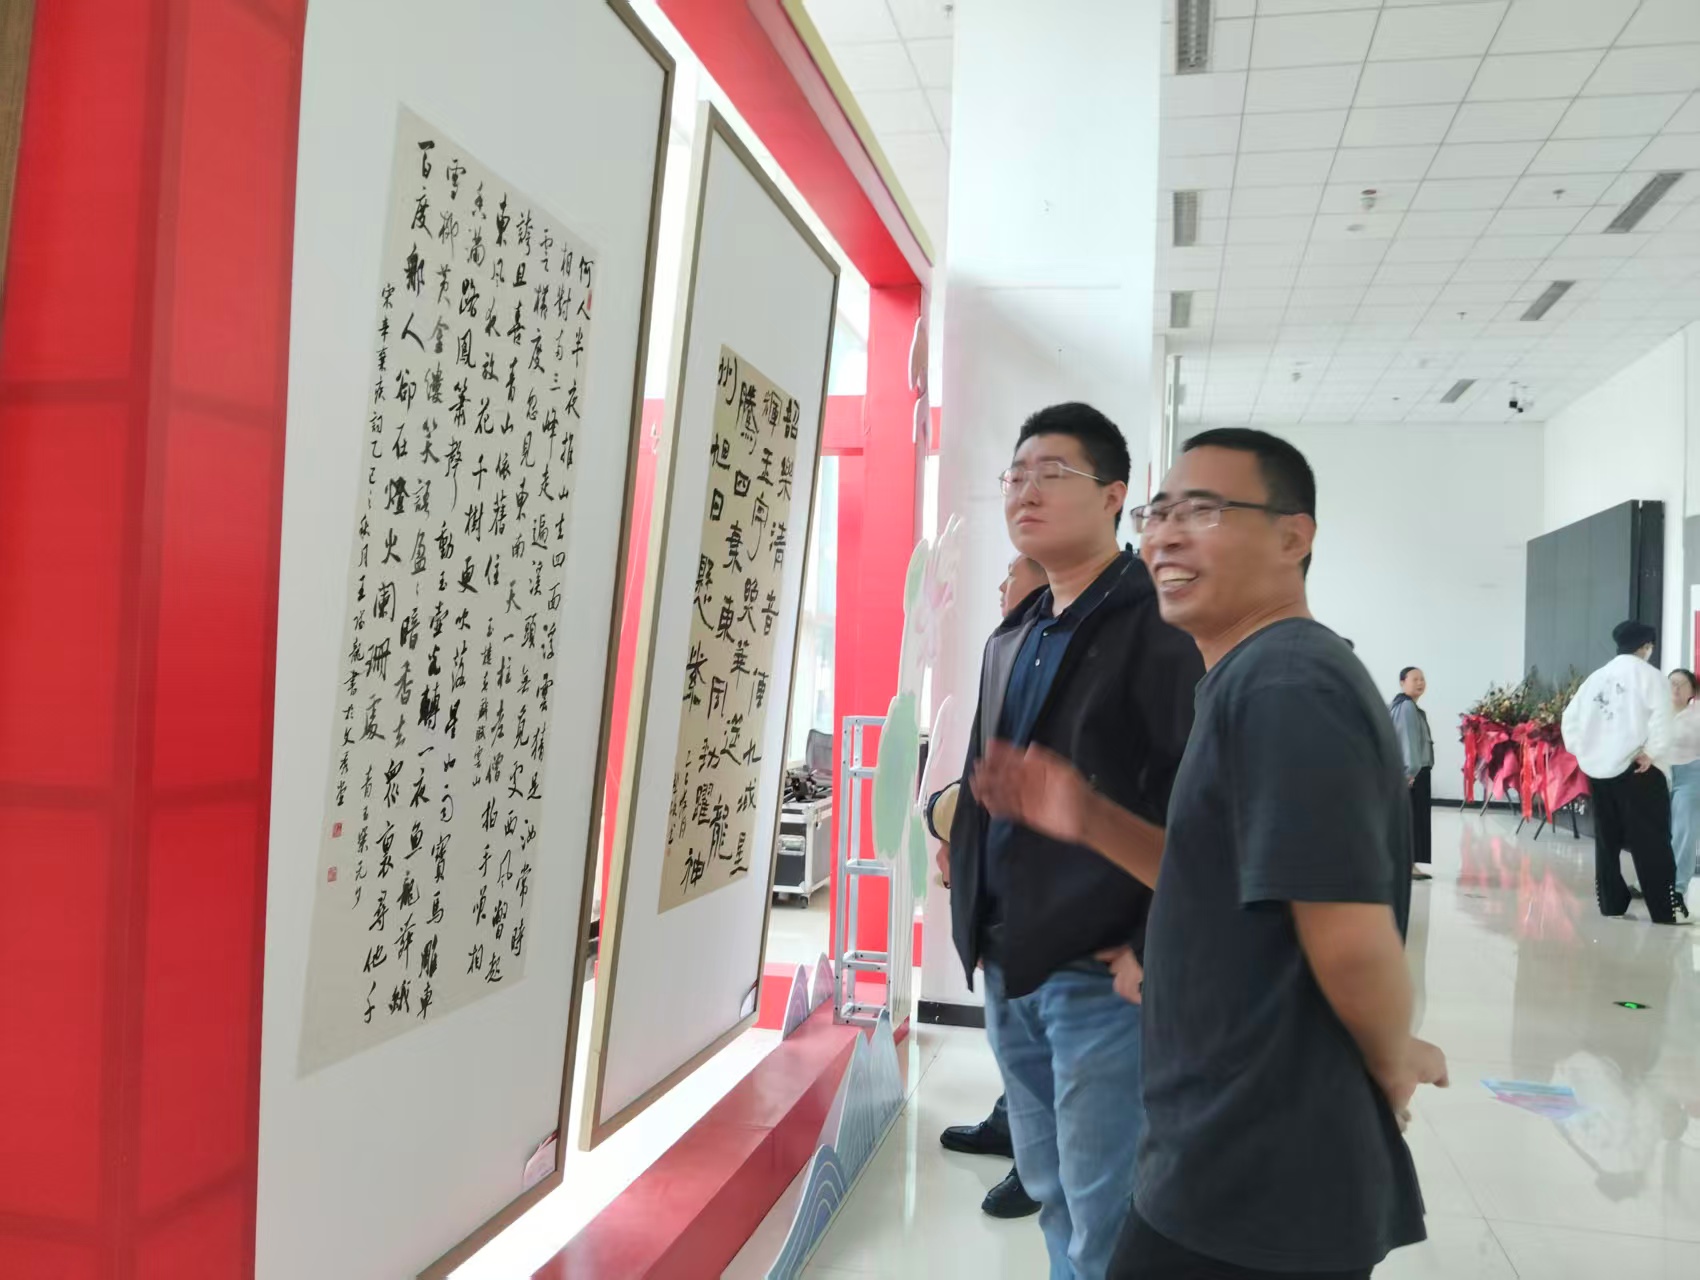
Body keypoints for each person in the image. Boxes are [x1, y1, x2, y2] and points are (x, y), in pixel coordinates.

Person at [973, 427, 1446, 1279]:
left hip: (1259, 1173)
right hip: (1216, 1149)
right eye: (1160, 514)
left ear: (1293, 536)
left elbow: (1349, 936)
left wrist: (1388, 1064)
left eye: (1204, 511)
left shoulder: (1288, 683)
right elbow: (1214, 875)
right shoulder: (1244, 678)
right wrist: (1088, 817)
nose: (1166, 536)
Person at [947, 403, 1202, 1280]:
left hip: (1102, 977)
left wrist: (1153, 942)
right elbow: (994, 778)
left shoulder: (1157, 626)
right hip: (1008, 962)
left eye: (1052, 473)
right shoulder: (1015, 633)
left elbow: (1197, 806)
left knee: (1108, 1214)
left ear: (1113, 496)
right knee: (1052, 1188)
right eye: (1016, 474)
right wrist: (963, 858)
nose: (1025, 490)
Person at [932, 553, 1049, 1221]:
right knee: (1011, 1032)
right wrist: (957, 832)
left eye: (1012, 571)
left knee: (1036, 1036)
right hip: (999, 877)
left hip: (1040, 889)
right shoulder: (1009, 644)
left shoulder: (1062, 650)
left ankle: (1037, 1165)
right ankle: (1013, 1125)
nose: (1001, 583)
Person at [1561, 622, 1689, 925]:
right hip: (1639, 767)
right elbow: (1662, 719)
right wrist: (1653, 752)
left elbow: (1570, 719)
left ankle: (1611, 903)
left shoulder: (1596, 678)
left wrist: (1587, 753)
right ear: (1645, 646)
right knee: (1652, 841)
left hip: (1600, 771)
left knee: (1607, 840)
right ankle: (1664, 910)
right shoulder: (1651, 677)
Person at [1392, 667, 1435, 881]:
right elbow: (1407, 741)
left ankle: (1407, 864)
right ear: (1402, 683)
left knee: (1410, 820)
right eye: (1415, 679)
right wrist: (1410, 772)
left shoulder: (1405, 706)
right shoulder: (1407, 707)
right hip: (1414, 775)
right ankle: (1407, 866)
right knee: (1412, 821)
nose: (1420, 683)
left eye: (1422, 679)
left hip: (1413, 772)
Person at [1665, 669, 1700, 902]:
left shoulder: (1696, 715)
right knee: (1657, 832)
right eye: (1672, 683)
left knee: (1684, 832)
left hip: (1692, 775)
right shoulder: (1657, 715)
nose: (1675, 688)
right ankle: (1651, 880)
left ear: (1692, 691)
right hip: (1661, 776)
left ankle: (1677, 886)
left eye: (1681, 684)